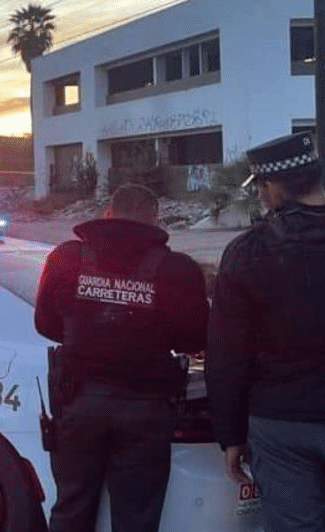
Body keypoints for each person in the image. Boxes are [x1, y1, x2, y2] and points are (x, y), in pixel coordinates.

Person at [207, 131, 325, 532]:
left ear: (271, 187)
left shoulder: (247, 251)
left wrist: (231, 434)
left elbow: (227, 355)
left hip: (282, 425)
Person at [34, 183, 209, 532]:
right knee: (136, 517)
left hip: (78, 403)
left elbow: (45, 323)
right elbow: (196, 338)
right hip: (146, 409)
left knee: (71, 508)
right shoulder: (179, 269)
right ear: (155, 219)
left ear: (108, 212)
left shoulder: (66, 257)